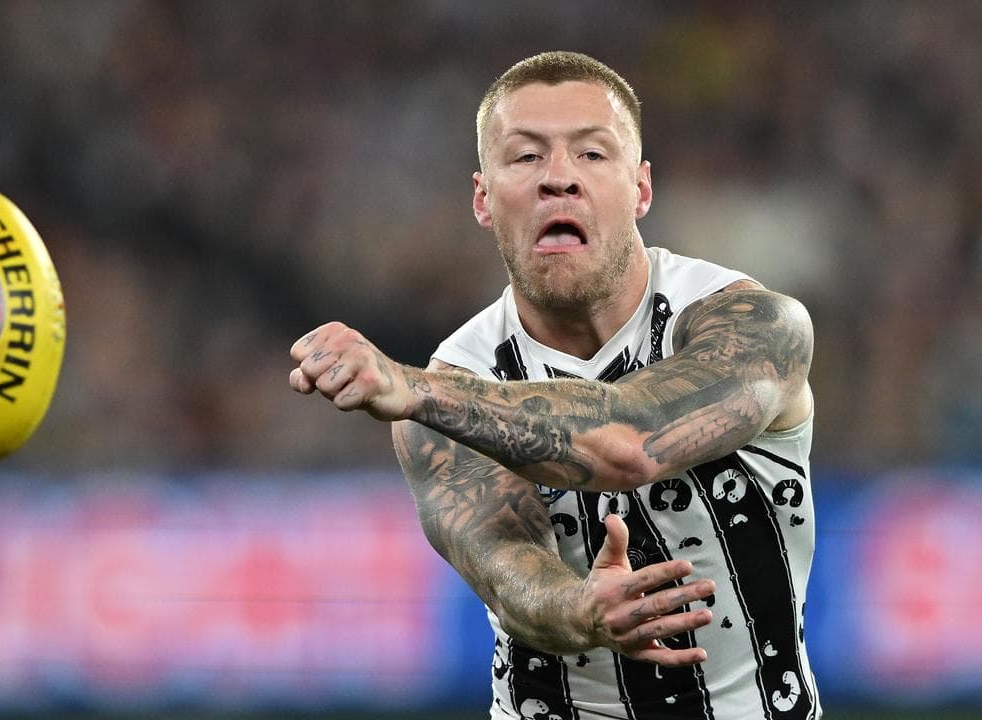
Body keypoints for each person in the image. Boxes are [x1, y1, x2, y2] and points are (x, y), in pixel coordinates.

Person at [289, 51, 820, 720]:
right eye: (526, 157)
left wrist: (418, 391)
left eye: (592, 154)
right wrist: (581, 610)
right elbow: (507, 571)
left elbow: (633, 442)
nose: (558, 178)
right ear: (483, 199)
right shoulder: (458, 377)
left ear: (641, 189)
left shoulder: (754, 323)